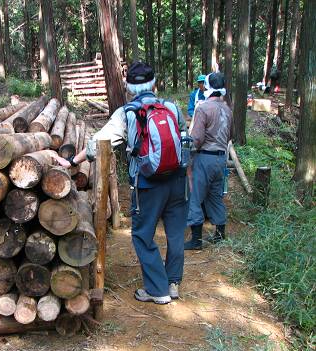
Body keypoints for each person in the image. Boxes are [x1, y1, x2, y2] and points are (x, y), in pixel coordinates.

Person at [57, 62, 188, 304]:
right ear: (154, 84)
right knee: (176, 233)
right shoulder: (170, 107)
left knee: (142, 235)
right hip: (177, 181)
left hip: (148, 184)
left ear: (129, 88)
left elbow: (97, 144)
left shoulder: (127, 113)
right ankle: (172, 284)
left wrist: (72, 161)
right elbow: (183, 136)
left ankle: (157, 290)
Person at [184, 72, 232, 250]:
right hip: (221, 159)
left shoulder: (203, 108)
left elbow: (196, 138)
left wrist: (188, 154)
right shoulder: (228, 109)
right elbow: (230, 136)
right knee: (215, 197)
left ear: (208, 86)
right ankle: (220, 234)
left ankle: (196, 239)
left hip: (204, 158)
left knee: (195, 196)